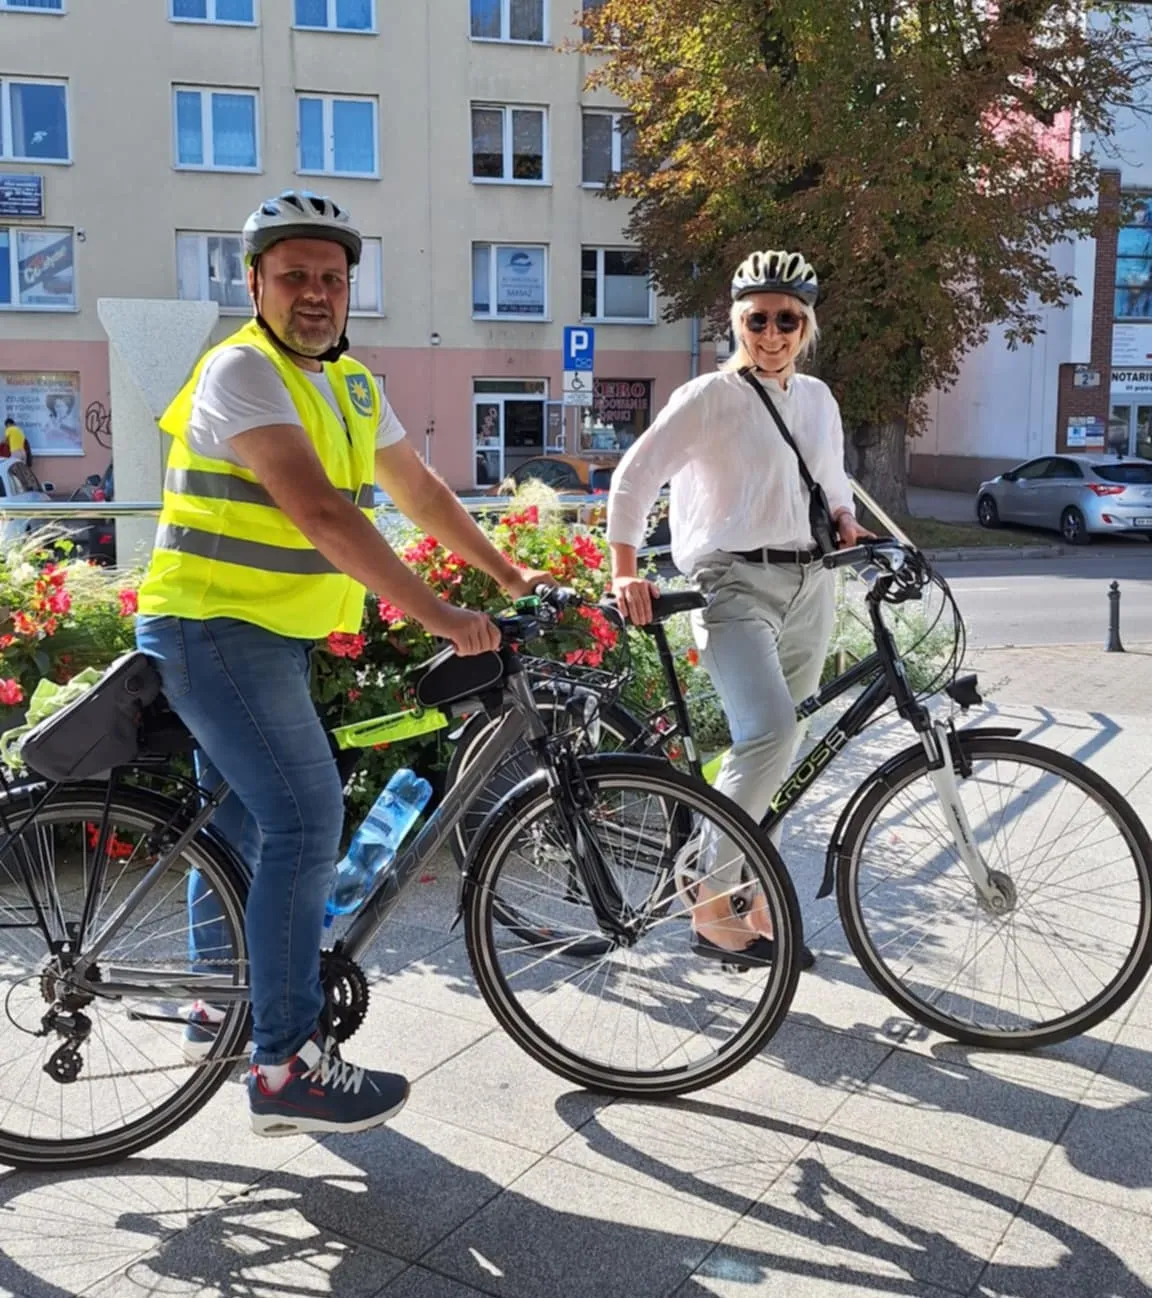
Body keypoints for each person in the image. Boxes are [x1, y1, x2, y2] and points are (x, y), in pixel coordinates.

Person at [135, 189, 553, 1137]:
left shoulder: (354, 385)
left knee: (240, 826)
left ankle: (215, 1008)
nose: (316, 293)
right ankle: (284, 1067)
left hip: (261, 634)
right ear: (255, 284)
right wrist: (445, 616)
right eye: (295, 276)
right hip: (214, 625)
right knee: (304, 819)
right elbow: (322, 513)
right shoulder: (242, 369)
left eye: (332, 277)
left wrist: (508, 570)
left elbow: (421, 490)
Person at [606, 249, 871, 967]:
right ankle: (707, 895)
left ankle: (754, 896)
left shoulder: (817, 399)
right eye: (758, 320)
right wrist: (624, 571)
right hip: (731, 584)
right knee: (768, 733)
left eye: (787, 320)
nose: (773, 334)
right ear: (736, 322)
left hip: (811, 581)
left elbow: (831, 477)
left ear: (806, 325)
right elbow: (634, 478)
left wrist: (846, 519)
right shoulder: (709, 397)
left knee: (789, 745)